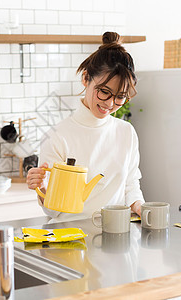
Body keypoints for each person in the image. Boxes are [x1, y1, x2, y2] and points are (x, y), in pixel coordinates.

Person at [26, 32, 144, 222]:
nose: (110, 103)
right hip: (70, 239)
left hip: (115, 235)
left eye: (120, 96)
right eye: (104, 92)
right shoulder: (58, 136)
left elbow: (131, 184)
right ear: (86, 78)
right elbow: (53, 212)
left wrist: (141, 207)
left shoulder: (126, 132)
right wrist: (43, 191)